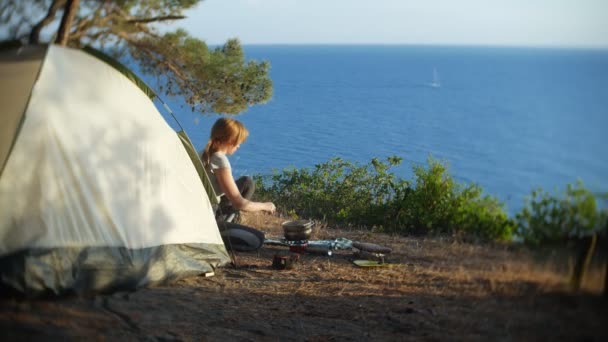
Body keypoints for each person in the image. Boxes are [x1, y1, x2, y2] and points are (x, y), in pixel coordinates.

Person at [201, 117, 276, 226]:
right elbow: (239, 203)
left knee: (247, 182)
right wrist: (265, 206)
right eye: (238, 142)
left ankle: (231, 221)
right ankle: (224, 226)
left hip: (203, 207)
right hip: (211, 214)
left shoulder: (203, 154)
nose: (239, 146)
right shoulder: (220, 161)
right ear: (230, 140)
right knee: (257, 238)